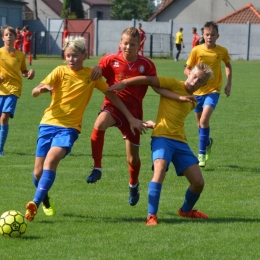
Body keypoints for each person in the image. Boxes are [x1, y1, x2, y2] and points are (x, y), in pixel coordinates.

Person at [24, 35, 144, 222]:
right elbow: (34, 91)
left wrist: (130, 117)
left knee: (51, 161)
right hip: (47, 123)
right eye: (68, 55)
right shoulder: (59, 71)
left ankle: (34, 204)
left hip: (69, 128)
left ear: (84, 55)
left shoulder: (91, 75)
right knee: (38, 172)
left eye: (75, 56)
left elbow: (112, 95)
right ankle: (44, 198)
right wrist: (41, 89)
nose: (71, 59)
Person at [107, 62, 213, 226]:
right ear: (189, 73)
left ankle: (185, 211)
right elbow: (149, 81)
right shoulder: (173, 84)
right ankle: (151, 216)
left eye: (200, 81)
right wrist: (125, 83)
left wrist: (155, 123)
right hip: (162, 138)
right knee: (160, 169)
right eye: (194, 76)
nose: (194, 81)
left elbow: (174, 119)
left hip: (180, 142)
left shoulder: (193, 101)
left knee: (198, 183)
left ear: (204, 84)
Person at [86, 27, 157, 207]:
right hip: (113, 107)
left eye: (132, 44)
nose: (128, 47)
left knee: (132, 158)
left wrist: (177, 93)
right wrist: (96, 67)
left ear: (139, 45)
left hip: (134, 113)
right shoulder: (111, 60)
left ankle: (133, 184)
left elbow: (155, 84)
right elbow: (99, 68)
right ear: (120, 43)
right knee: (99, 123)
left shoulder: (146, 65)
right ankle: (97, 167)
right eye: (125, 43)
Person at [184, 21, 232, 167]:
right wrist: (192, 78)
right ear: (203, 35)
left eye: (212, 35)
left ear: (217, 36)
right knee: (199, 124)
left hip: (213, 91)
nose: (209, 37)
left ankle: (201, 154)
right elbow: (187, 69)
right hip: (197, 92)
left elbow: (228, 65)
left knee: (204, 120)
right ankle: (208, 142)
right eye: (207, 34)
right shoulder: (196, 51)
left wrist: (229, 84)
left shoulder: (222, 51)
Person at [0, 25, 35, 156]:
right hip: (0, 89)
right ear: (3, 37)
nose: (9, 37)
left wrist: (29, 73)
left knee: (4, 118)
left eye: (12, 34)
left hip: (14, 89)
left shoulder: (20, 55)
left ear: (16, 37)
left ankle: (0, 148)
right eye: (7, 35)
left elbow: (24, 71)